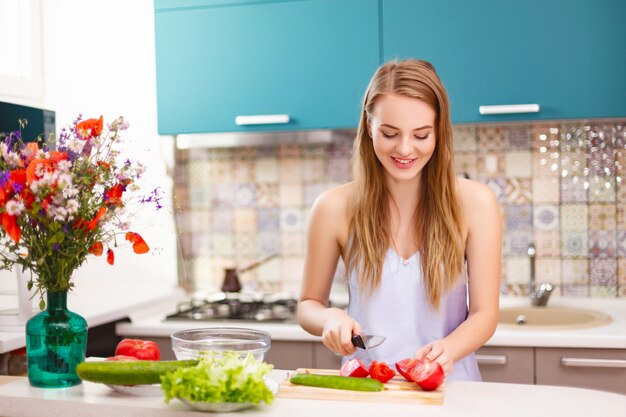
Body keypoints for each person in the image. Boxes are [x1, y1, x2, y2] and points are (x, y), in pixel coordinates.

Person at [296, 59, 501, 381]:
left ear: (440, 131)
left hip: (452, 390)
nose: (405, 149)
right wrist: (330, 318)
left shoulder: (476, 203)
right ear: (368, 127)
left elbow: (485, 314)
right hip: (368, 391)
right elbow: (308, 304)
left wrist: (448, 349)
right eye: (390, 133)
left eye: (421, 135)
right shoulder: (333, 207)